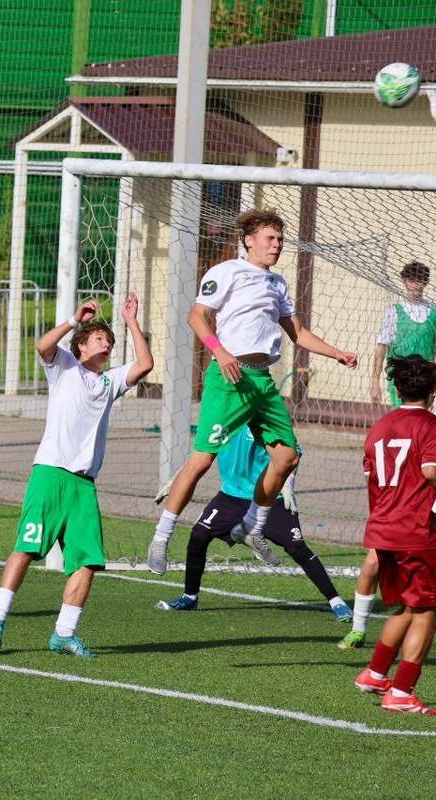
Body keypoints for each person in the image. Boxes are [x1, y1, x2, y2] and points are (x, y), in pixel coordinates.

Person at [148, 209, 358, 575]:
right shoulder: (227, 271)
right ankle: (162, 536)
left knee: (287, 458)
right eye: (270, 238)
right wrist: (219, 351)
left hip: (262, 382)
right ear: (249, 240)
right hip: (229, 378)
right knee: (202, 460)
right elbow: (196, 315)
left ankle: (250, 526)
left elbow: (298, 333)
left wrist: (337, 353)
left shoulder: (277, 283)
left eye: (280, 239)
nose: (277, 245)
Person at [0, 294, 153, 657]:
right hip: (50, 474)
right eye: (99, 339)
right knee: (27, 548)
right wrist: (74, 320)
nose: (106, 344)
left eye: (109, 341)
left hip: (84, 485)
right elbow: (42, 345)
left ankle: (63, 633)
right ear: (80, 345)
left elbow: (145, 364)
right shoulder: (63, 366)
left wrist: (131, 321)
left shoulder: (110, 381)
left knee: (88, 561)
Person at [153, 423, 353, 620]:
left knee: (297, 547)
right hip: (230, 497)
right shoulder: (223, 418)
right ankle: (190, 597)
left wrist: (288, 483)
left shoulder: (265, 416)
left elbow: (294, 452)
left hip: (268, 496)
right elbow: (200, 453)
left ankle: (336, 602)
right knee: (199, 534)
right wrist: (178, 478)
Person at [352, 354, 436, 714]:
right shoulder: (430, 426)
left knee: (408, 606)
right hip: (415, 531)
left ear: (397, 389)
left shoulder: (380, 427)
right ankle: (401, 692)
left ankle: (374, 674)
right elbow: (430, 470)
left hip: (383, 529)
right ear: (433, 391)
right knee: (427, 609)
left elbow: (372, 478)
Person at [371, 261, 434, 408]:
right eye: (411, 280)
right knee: (403, 419)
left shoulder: (433, 312)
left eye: (420, 280)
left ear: (425, 282)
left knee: (424, 421)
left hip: (426, 381)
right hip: (401, 381)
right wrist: (375, 382)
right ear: (405, 281)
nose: (415, 285)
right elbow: (381, 348)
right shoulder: (394, 312)